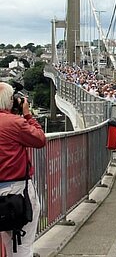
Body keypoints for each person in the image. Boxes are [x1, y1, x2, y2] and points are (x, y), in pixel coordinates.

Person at [0, 82, 46, 256]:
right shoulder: (14, 123)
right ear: (10, 101)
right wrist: (27, 115)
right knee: (23, 243)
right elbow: (39, 140)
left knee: (7, 239)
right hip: (18, 189)